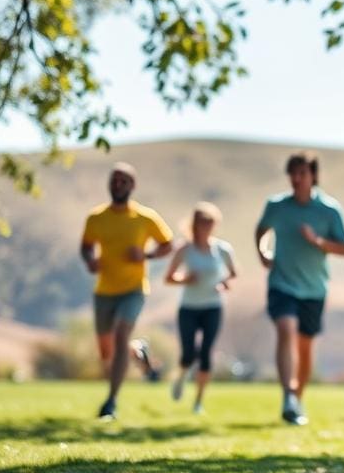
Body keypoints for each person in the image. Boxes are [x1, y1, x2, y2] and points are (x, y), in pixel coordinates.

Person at [256, 152, 344, 425]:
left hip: (313, 289)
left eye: (302, 173)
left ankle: (296, 400)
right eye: (293, 174)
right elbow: (260, 230)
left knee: (305, 348)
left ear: (313, 176)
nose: (297, 179)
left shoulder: (329, 210)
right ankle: (288, 396)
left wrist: (318, 241)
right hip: (282, 283)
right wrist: (263, 252)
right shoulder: (276, 206)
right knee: (285, 329)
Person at [80, 163, 173, 419]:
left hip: (134, 289)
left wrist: (146, 255)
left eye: (123, 181)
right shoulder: (96, 217)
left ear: (133, 186)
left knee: (120, 335)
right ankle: (137, 349)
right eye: (114, 180)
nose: (118, 185)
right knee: (106, 351)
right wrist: (90, 260)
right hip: (104, 291)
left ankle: (111, 402)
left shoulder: (145, 217)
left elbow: (168, 244)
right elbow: (86, 246)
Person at [163, 202, 237, 414]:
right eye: (202, 224)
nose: (205, 228)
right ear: (194, 225)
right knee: (188, 354)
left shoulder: (222, 249)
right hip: (189, 307)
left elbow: (233, 273)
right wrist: (185, 279)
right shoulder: (185, 249)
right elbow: (169, 278)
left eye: (209, 224)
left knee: (206, 353)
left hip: (213, 307)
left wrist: (224, 283)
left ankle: (198, 402)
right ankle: (181, 376)